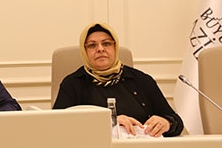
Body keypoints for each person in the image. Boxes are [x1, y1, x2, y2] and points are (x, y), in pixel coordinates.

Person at [52, 22, 183, 137]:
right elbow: (56, 126)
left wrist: (167, 123)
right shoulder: (73, 83)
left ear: (115, 47)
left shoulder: (141, 80)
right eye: (92, 45)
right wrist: (109, 123)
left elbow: (176, 121)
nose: (100, 49)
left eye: (106, 43)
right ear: (84, 51)